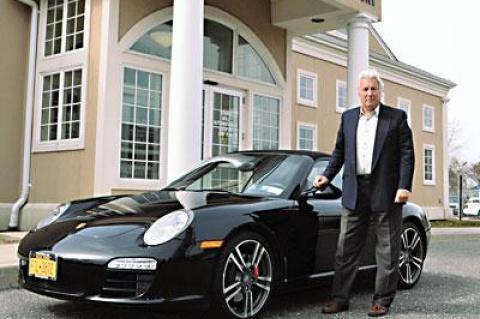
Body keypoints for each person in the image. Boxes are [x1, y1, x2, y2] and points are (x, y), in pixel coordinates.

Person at [313, 69, 414, 317]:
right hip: (354, 190)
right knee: (345, 249)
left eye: (373, 89)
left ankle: (382, 300)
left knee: (387, 250)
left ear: (380, 92)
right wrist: (327, 174)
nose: (369, 93)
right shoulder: (347, 118)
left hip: (387, 192)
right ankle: (340, 298)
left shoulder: (396, 118)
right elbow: (339, 151)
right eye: (365, 89)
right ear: (359, 92)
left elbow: (406, 155)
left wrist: (404, 186)